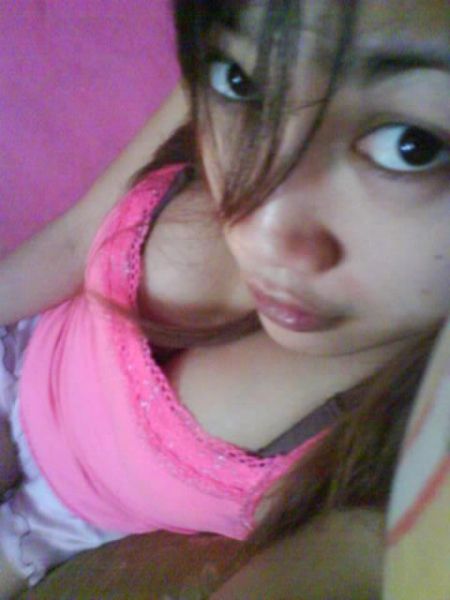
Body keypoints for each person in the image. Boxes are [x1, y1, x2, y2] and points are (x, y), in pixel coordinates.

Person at [1, 0, 449, 597]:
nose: (259, 228)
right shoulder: (268, 54)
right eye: (238, 83)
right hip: (22, 351)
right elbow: (73, 239)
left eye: (412, 146)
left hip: (55, 520)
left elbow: (365, 555)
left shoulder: (405, 462)